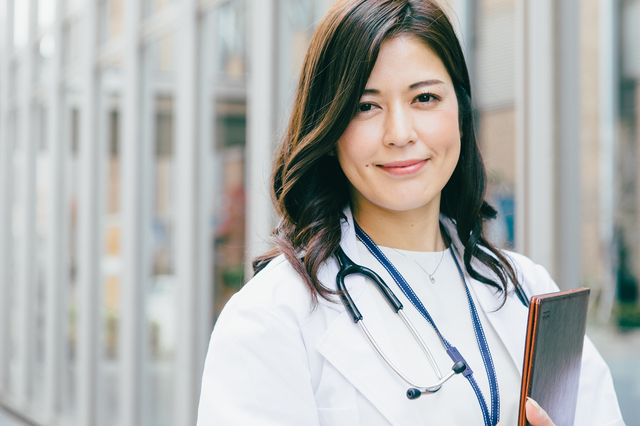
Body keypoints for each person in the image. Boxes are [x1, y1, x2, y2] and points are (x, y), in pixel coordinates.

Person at [197, 0, 624, 425]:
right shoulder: (272, 317)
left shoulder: (526, 288)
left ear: (459, 111)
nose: (399, 133)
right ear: (328, 129)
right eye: (366, 106)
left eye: (424, 97)